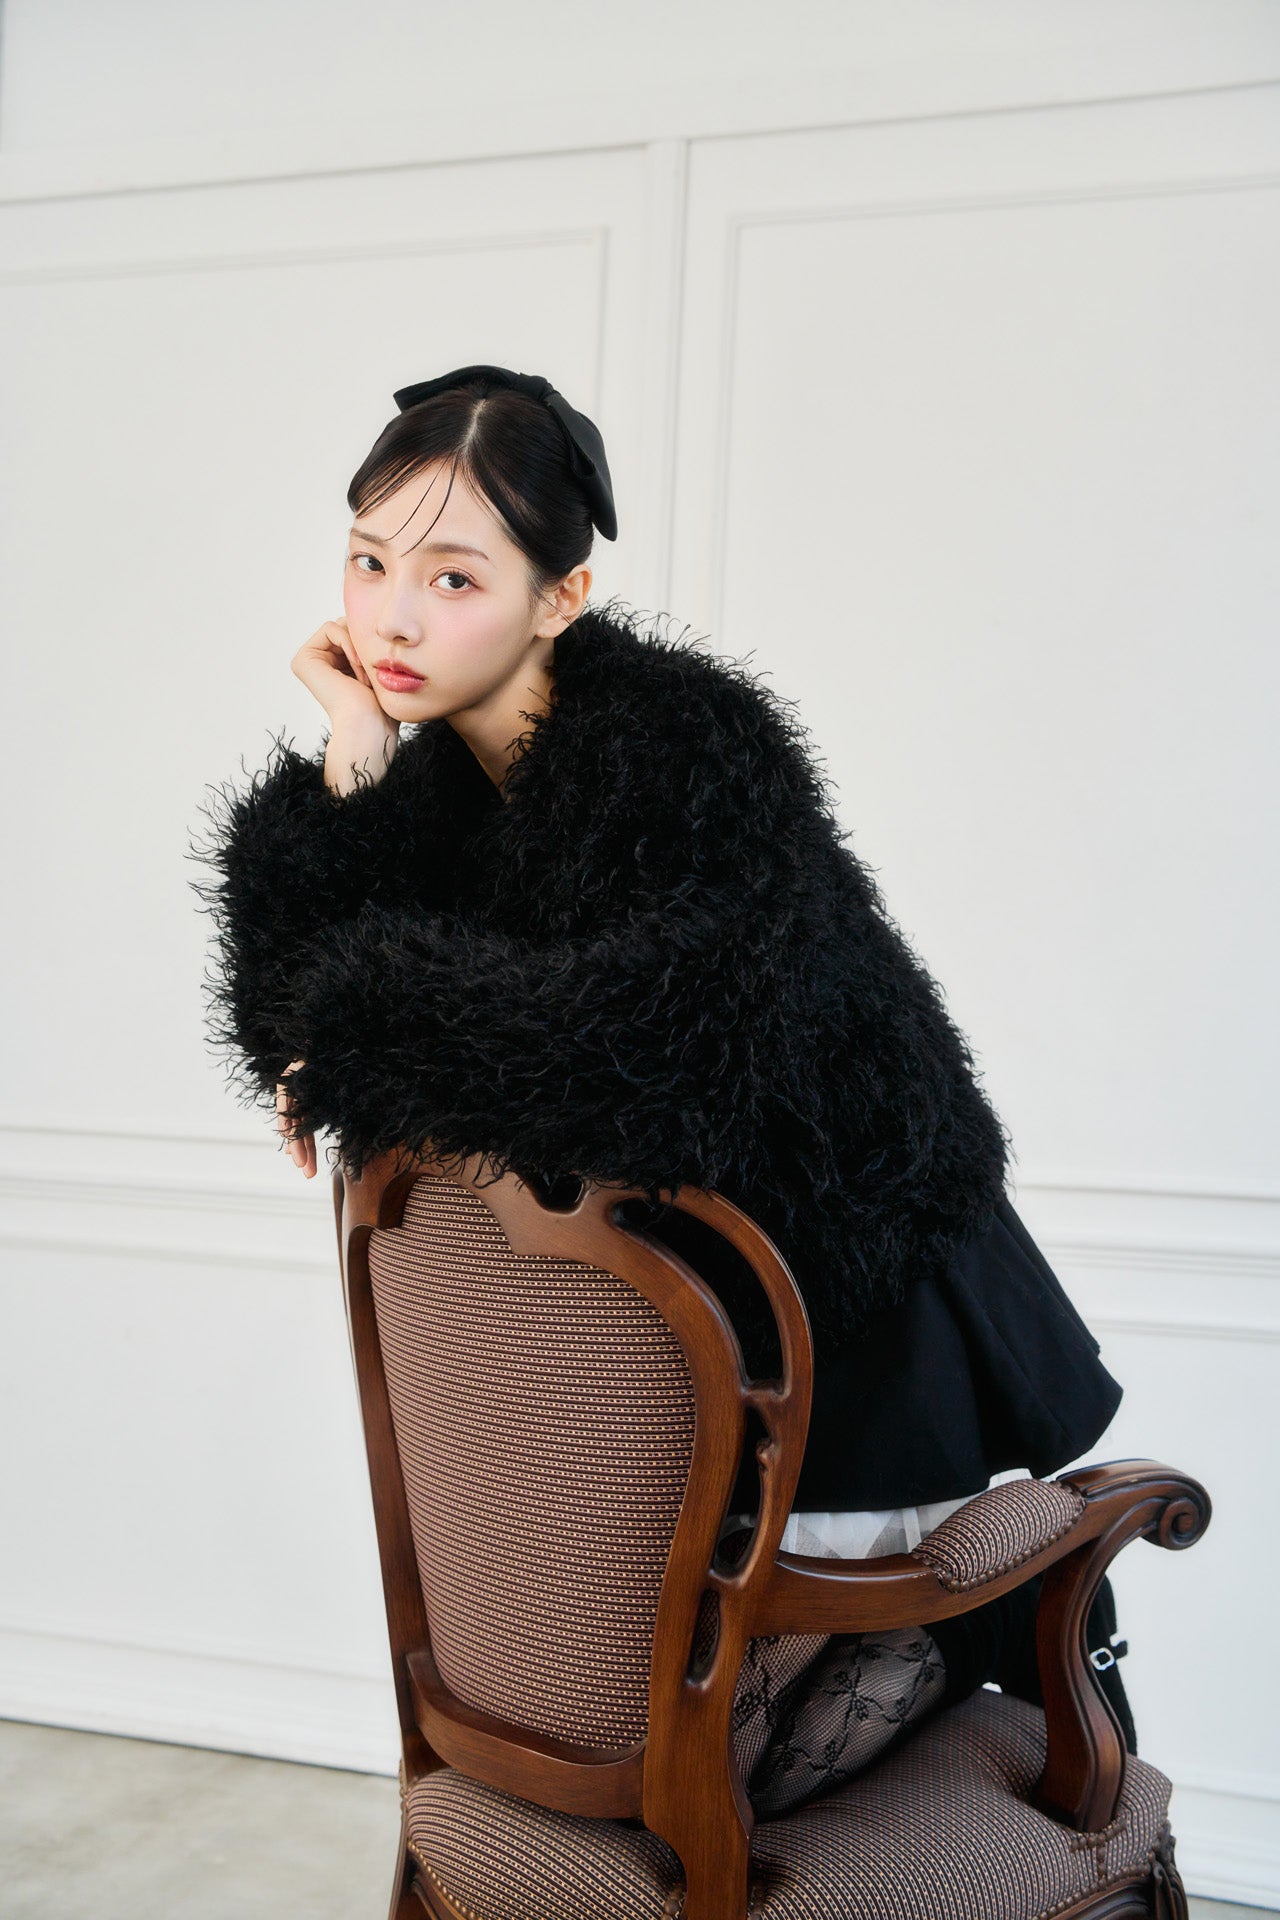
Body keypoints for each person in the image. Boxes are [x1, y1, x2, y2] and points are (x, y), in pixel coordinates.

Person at [189, 363, 1133, 1813]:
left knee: (739, 1753)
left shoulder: (689, 754)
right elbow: (294, 996)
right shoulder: (439, 785)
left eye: (453, 578)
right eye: (369, 564)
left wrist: (360, 1031)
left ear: (560, 597)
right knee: (653, 1741)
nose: (390, 620)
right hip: (667, 1353)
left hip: (861, 1309)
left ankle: (963, 1636)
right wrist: (353, 760)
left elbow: (632, 1049)